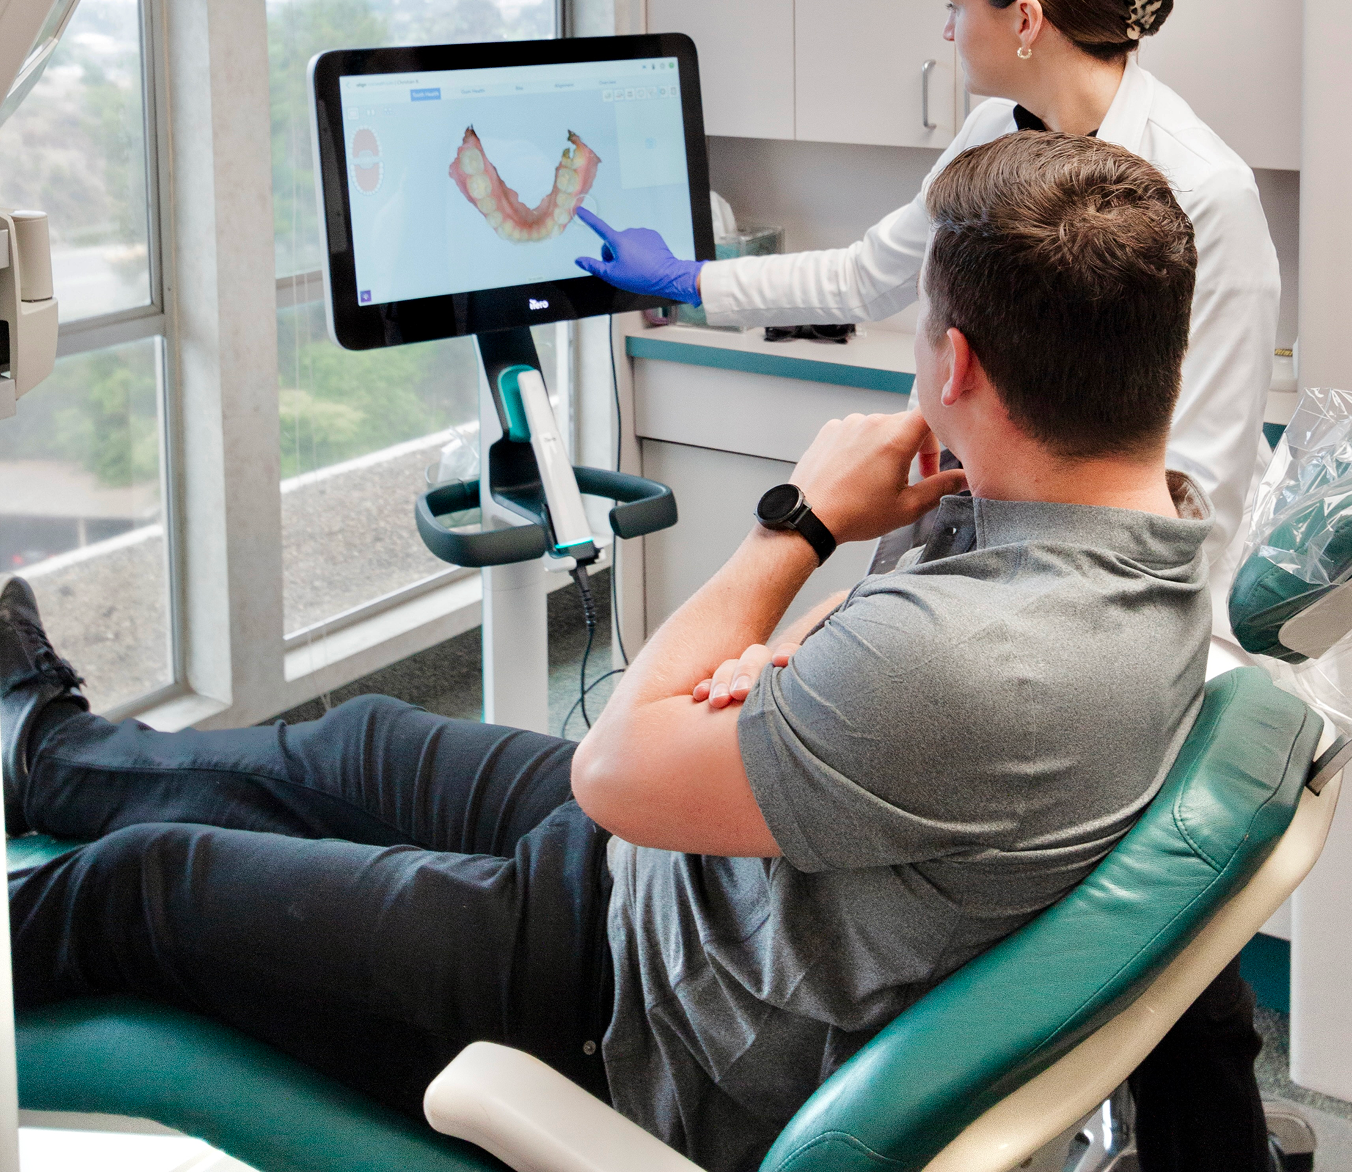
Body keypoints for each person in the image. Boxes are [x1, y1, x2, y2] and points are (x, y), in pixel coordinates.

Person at [5, 134, 1212, 1172]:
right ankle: (45, 751)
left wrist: (800, 523)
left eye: (924, 332)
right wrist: (804, 657)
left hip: (629, 1001)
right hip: (689, 868)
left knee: (147, 887)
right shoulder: (1143, 530)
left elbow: (616, 768)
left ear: (955, 365)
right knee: (352, 744)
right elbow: (870, 640)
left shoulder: (979, 661)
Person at [576, 0, 1283, 1172]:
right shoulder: (994, 137)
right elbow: (869, 274)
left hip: (1110, 614)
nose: (944, 29)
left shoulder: (1202, 190)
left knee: (1175, 986)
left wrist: (1091, 650)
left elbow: (1194, 476)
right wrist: (690, 278)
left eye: (954, 5)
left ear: (1025, 17)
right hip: (978, 590)